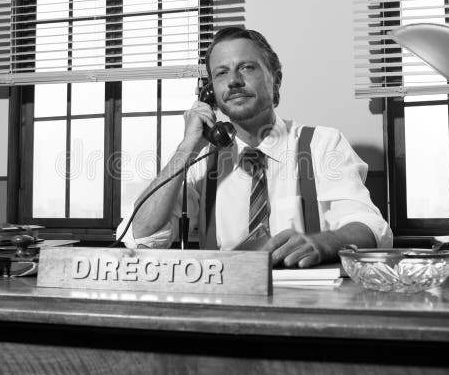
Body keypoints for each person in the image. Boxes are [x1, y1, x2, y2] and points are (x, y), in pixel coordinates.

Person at [119, 27, 392, 267]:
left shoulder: (323, 144)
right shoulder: (200, 159)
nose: (234, 80)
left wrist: (325, 243)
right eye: (221, 73)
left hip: (308, 302)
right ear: (210, 93)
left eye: (247, 67)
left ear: (276, 80)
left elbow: (370, 227)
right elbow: (142, 237)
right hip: (225, 302)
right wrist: (186, 147)